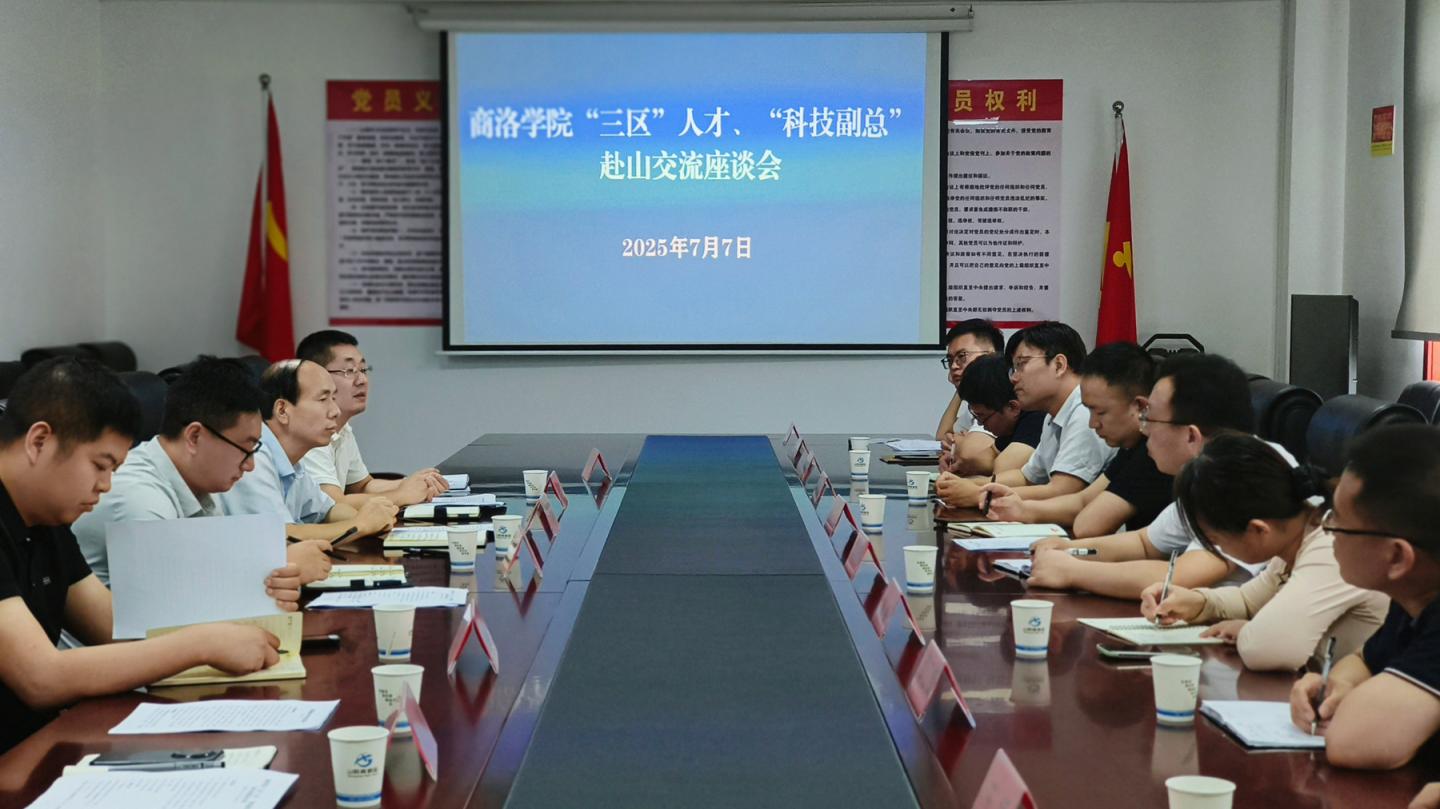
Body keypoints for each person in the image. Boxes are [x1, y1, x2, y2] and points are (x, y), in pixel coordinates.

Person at [0, 358, 290, 754]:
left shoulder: (46, 519)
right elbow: (41, 678)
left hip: (42, 744)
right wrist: (201, 643)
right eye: (100, 466)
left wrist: (245, 612)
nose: (106, 485)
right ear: (39, 441)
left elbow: (112, 626)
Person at [72, 356, 333, 587]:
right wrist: (279, 565)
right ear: (195, 436)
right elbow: (171, 600)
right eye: (245, 448)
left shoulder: (198, 483)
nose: (250, 465)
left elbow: (217, 562)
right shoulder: (138, 497)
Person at [1140, 434, 1388, 671]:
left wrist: (1247, 630)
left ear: (1258, 530)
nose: (1218, 549)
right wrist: (1197, 602)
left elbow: (1267, 650)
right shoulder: (1298, 535)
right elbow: (1248, 601)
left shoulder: (1331, 547)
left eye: (1216, 541)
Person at [1026, 352, 1262, 597]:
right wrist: (1069, 549)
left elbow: (1179, 577)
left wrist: (1072, 571)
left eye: (1150, 418)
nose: (1143, 428)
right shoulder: (1208, 472)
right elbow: (1145, 544)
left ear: (1191, 436)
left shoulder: (1247, 476)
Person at [1289, 424, 1440, 769]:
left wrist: (1352, 701)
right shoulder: (1415, 595)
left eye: (1338, 521)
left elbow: (1353, 743)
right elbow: (1365, 659)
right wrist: (1339, 684)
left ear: (1397, 557)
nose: (1327, 530)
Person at [984, 342, 1172, 537]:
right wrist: (1021, 509)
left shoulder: (1152, 452)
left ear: (1140, 406)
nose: (1092, 423)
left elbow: (1088, 524)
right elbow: (1082, 501)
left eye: (1101, 412)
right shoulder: (1130, 447)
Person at [215, 360, 397, 546]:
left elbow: (327, 511)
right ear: (282, 410)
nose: (335, 411)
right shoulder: (253, 457)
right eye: (323, 399)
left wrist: (374, 519)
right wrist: (359, 524)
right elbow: (280, 535)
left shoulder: (293, 459)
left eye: (334, 398)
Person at [936, 321, 1115, 507]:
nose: (1013, 378)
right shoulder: (1053, 416)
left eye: (1021, 365)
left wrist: (979, 494)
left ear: (1058, 365)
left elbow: (1062, 490)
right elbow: (1026, 477)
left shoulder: (1085, 412)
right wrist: (969, 485)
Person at [295, 331, 447, 506]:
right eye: (349, 371)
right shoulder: (308, 433)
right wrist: (401, 495)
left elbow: (362, 486)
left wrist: (417, 482)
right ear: (316, 377)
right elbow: (332, 504)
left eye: (363, 370)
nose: (362, 380)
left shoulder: (342, 429)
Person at [941, 354, 1044, 477]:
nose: (981, 424)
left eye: (982, 417)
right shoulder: (1011, 425)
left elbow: (1002, 470)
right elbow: (988, 455)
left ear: (1012, 407)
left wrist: (960, 482)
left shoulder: (1037, 417)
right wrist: (959, 461)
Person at [934, 319, 1005, 442]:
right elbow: (942, 436)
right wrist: (961, 388)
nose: (953, 366)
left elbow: (973, 447)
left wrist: (958, 442)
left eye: (961, 356)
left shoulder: (1002, 397)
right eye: (950, 360)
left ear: (990, 355)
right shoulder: (976, 401)